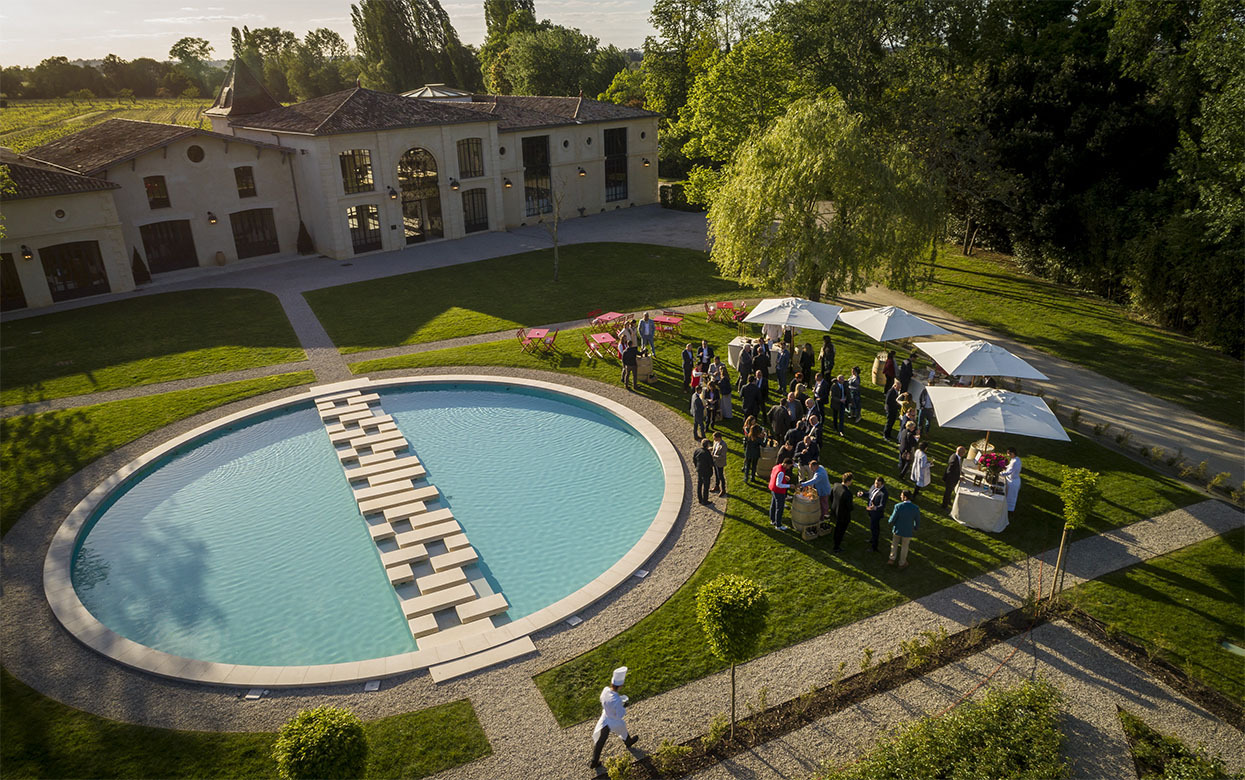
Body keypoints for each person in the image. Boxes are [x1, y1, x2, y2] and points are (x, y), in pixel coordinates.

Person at [590, 666, 638, 769]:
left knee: (601, 739)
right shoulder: (617, 700)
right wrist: (624, 706)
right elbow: (620, 714)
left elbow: (602, 700)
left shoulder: (605, 690)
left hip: (605, 717)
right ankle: (628, 742)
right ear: (620, 686)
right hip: (613, 721)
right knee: (622, 729)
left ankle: (594, 761)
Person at [887, 490, 920, 568]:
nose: (900, 496)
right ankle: (902, 563)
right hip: (908, 531)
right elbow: (917, 520)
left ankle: (892, 559)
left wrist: (890, 521)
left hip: (897, 529)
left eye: (901, 495)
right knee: (905, 547)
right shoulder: (915, 508)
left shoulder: (898, 506)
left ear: (905, 497)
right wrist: (916, 527)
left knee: (894, 544)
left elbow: (893, 518)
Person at [828, 472, 857, 553]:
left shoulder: (836, 485)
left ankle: (835, 539)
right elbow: (850, 507)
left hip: (835, 510)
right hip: (843, 515)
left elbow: (831, 496)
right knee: (840, 530)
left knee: (837, 528)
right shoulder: (847, 493)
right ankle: (836, 547)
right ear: (849, 481)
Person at [865, 477, 890, 552]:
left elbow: (882, 506)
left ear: (882, 484)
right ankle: (872, 539)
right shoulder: (873, 486)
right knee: (873, 527)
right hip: (871, 511)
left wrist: (874, 508)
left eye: (878, 484)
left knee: (875, 529)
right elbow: (870, 494)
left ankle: (874, 547)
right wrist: (863, 494)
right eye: (875, 483)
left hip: (876, 514)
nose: (876, 485)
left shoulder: (884, 493)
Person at [768, 457, 793, 531]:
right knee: (780, 508)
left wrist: (784, 477)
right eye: (789, 466)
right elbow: (779, 484)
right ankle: (778, 525)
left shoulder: (776, 467)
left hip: (772, 489)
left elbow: (774, 475)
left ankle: (773, 520)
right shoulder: (781, 472)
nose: (789, 468)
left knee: (773, 505)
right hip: (778, 491)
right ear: (785, 464)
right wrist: (789, 486)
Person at [942, 445, 966, 510]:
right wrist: (959, 477)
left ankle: (948, 501)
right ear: (961, 453)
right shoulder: (954, 460)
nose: (964, 454)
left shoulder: (956, 456)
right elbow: (951, 471)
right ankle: (944, 505)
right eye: (964, 453)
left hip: (952, 478)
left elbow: (956, 468)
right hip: (950, 479)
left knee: (950, 491)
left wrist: (960, 472)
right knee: (947, 492)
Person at [742, 417, 766, 482]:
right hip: (755, 454)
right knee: (754, 466)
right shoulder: (758, 439)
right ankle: (752, 478)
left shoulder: (748, 437)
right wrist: (765, 438)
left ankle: (745, 478)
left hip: (748, 453)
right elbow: (764, 445)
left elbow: (745, 443)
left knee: (747, 465)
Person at [1000, 447, 1022, 513]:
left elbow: (1008, 472)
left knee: (1010, 497)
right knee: (1010, 496)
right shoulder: (1016, 459)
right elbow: (1009, 467)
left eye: (1008, 453)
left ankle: (1009, 510)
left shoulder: (1014, 461)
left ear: (1012, 453)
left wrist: (999, 473)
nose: (1007, 455)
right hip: (1015, 480)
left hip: (1012, 482)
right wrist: (1004, 466)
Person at [692, 438, 714, 504]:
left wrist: (696, 466)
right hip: (706, 472)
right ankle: (705, 500)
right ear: (707, 445)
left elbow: (694, 459)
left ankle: (700, 499)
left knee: (699, 484)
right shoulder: (707, 453)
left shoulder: (697, 450)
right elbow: (711, 464)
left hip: (699, 470)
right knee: (706, 486)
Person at [710, 431, 728, 496]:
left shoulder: (723, 445)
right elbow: (714, 449)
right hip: (715, 461)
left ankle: (723, 489)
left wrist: (714, 456)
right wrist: (710, 449)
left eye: (714, 438)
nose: (713, 439)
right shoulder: (715, 442)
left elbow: (722, 456)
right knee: (716, 475)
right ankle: (717, 486)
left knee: (721, 476)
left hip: (720, 462)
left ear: (719, 438)